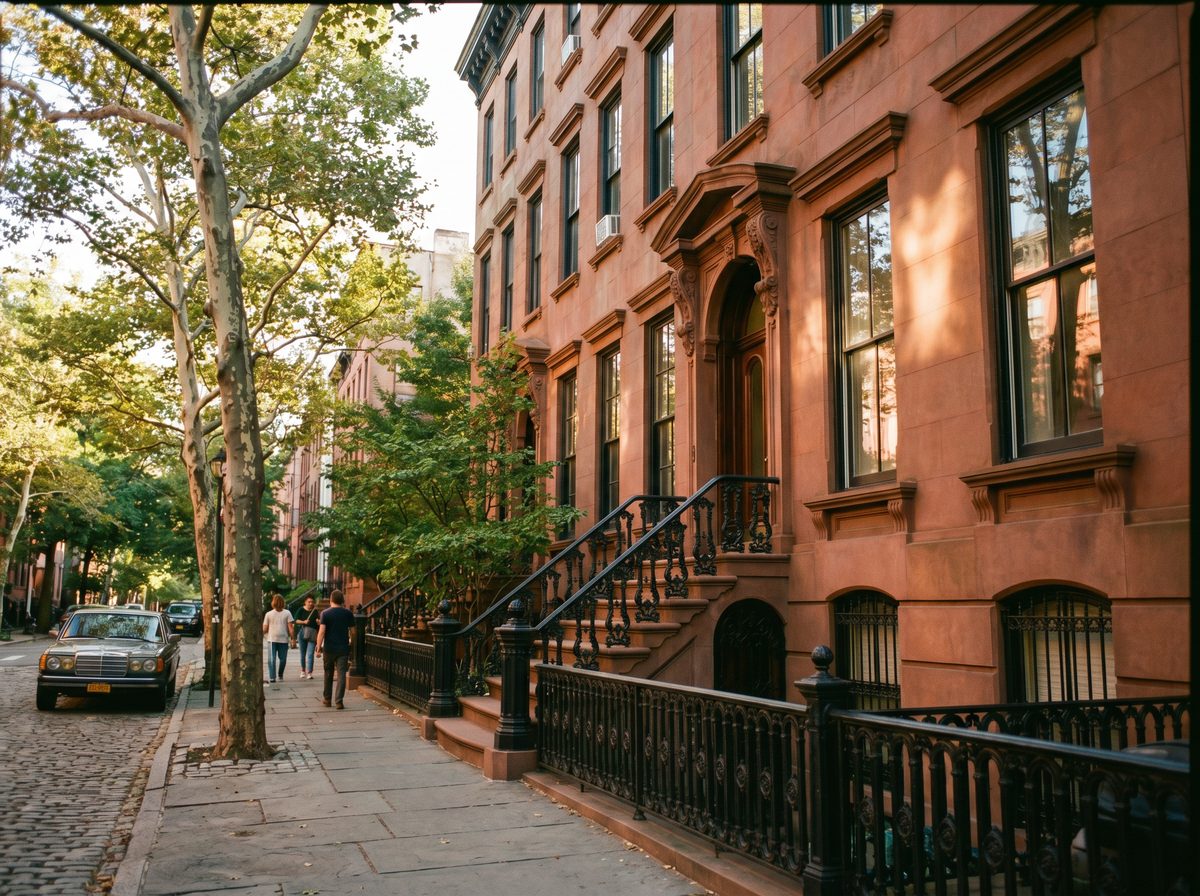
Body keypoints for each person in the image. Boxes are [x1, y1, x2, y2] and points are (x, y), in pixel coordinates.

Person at [316, 589, 354, 709]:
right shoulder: (348, 613)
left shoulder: (325, 613)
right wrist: (352, 643)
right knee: (341, 674)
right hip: (343, 648)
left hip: (329, 648)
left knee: (328, 673)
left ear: (331, 599)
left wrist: (318, 648)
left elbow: (321, 632)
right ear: (342, 600)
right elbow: (353, 631)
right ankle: (339, 701)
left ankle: (327, 699)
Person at [262, 593, 295, 686]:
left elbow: (264, 628)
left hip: (279, 640)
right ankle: (274, 677)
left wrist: (260, 633)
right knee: (280, 659)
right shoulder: (269, 614)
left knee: (275, 659)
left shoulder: (286, 613)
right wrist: (293, 639)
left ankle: (278, 674)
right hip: (274, 639)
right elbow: (291, 628)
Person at [294, 595, 320, 680]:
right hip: (302, 633)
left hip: (312, 634)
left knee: (310, 654)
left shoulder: (315, 611)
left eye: (312, 602)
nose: (310, 603)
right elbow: (295, 620)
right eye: (309, 602)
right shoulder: (301, 610)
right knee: (302, 653)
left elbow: (319, 623)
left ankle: (309, 672)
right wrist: (303, 621)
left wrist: (318, 622)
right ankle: (302, 671)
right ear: (305, 602)